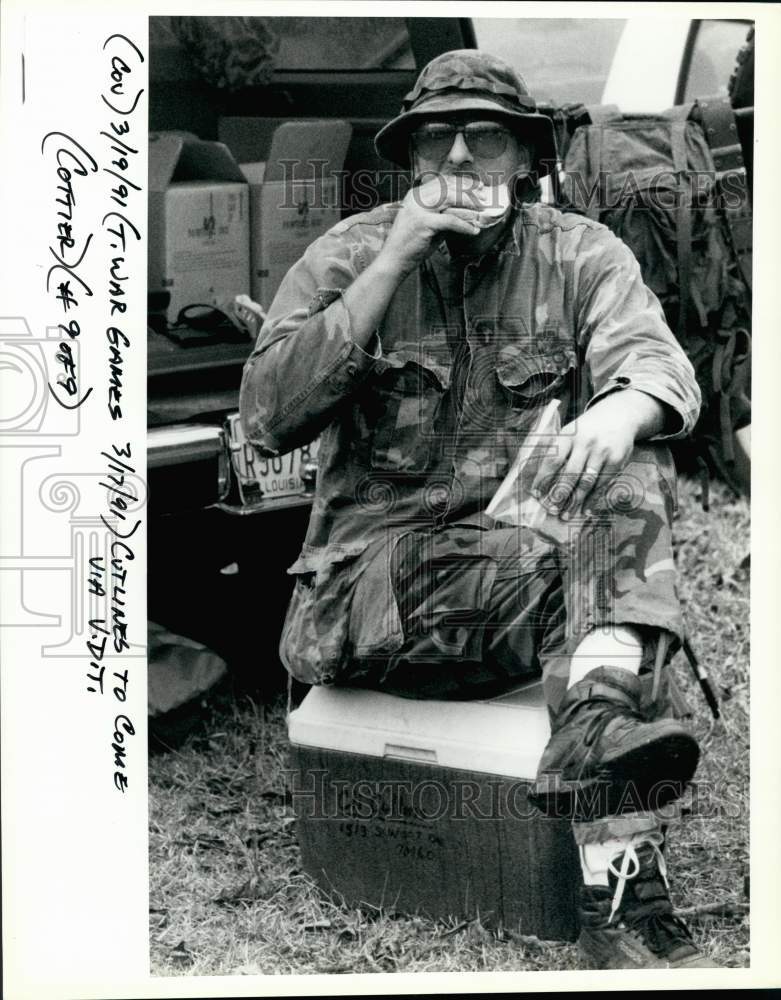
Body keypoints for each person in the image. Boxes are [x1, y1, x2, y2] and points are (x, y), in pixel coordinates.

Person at [239, 50, 716, 970]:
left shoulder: (577, 252)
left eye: (484, 136)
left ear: (526, 156)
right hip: (365, 604)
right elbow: (266, 418)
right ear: (412, 156)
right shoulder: (347, 252)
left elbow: (660, 369)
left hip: (510, 590)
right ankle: (605, 773)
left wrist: (618, 413)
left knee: (624, 485)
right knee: (609, 584)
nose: (459, 158)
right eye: (436, 137)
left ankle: (607, 861)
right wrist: (395, 259)